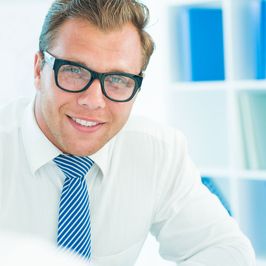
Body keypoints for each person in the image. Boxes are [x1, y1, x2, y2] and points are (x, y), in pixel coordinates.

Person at [0, 0, 255, 265]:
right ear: (39, 69)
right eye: (74, 71)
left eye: (118, 80)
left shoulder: (157, 151)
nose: (93, 100)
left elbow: (227, 250)